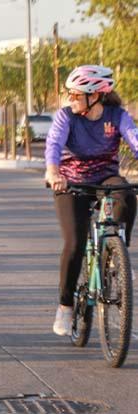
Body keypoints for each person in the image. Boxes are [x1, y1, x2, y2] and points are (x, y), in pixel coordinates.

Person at [44, 65, 138, 336]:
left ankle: (117, 253)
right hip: (70, 182)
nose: (70, 99)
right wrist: (53, 171)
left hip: (104, 177)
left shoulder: (116, 116)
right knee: (74, 243)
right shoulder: (66, 117)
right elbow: (53, 145)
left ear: (96, 95)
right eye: (69, 94)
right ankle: (65, 306)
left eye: (76, 95)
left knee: (127, 194)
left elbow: (134, 139)